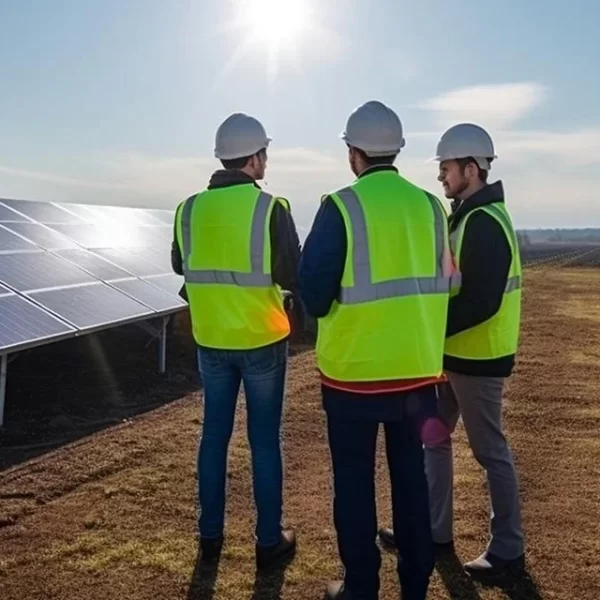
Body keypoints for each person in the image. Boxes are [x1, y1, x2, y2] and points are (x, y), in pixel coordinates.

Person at [298, 100, 454, 600]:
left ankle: (361, 587)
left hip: (353, 376)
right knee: (411, 482)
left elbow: (314, 295)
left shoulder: (340, 207)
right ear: (397, 150)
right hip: (417, 373)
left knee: (354, 484)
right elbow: (448, 283)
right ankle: (415, 586)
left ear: (354, 152)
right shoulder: (431, 207)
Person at [378, 123, 525, 581]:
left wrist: (430, 330)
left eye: (446, 168)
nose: (441, 175)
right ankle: (431, 531)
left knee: (489, 452)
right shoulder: (466, 217)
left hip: (478, 360)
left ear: (471, 168)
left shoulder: (483, 222)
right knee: (434, 440)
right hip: (455, 357)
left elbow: (481, 302)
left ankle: (508, 550)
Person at [171, 112, 302, 572]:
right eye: (265, 152)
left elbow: (180, 265)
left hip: (210, 342)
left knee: (213, 437)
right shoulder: (271, 208)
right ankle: (268, 542)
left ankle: (210, 538)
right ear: (255, 158)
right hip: (263, 341)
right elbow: (291, 272)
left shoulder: (187, 210)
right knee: (263, 441)